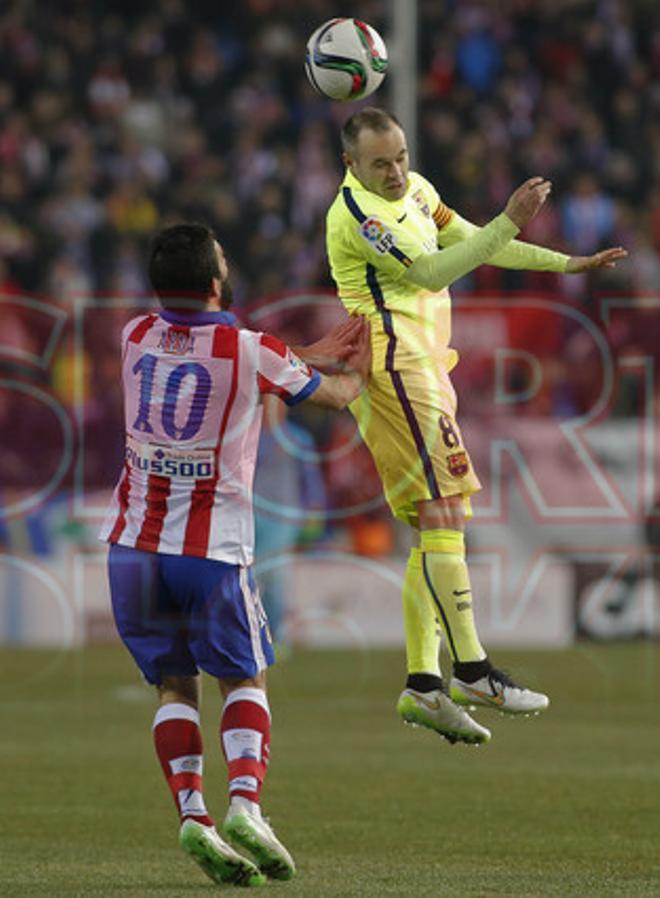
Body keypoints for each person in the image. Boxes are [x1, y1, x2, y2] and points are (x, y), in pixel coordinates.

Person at [325, 107, 627, 746]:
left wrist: (566, 264)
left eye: (401, 155)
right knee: (444, 513)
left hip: (426, 365)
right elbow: (434, 271)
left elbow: (472, 240)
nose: (396, 170)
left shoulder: (417, 191)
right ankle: (471, 669)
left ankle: (424, 686)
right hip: (396, 363)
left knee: (433, 523)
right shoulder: (361, 217)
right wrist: (509, 219)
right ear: (350, 164)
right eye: (380, 162)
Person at [100, 223, 370, 887]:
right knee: (245, 680)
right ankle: (246, 804)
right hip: (210, 552)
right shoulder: (253, 351)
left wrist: (301, 351)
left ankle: (193, 814)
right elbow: (330, 396)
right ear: (219, 281)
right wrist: (364, 368)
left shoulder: (134, 337)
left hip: (133, 551)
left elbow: (210, 351)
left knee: (175, 684)